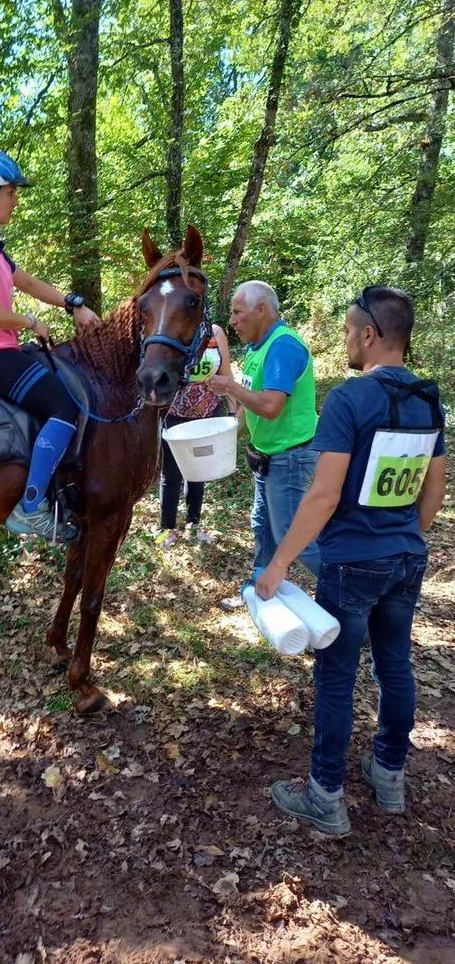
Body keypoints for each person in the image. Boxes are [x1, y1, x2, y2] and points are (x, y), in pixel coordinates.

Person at [254, 286, 446, 836]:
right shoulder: (429, 401)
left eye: (345, 330)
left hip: (352, 563)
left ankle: (325, 795)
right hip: (406, 558)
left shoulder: (347, 400)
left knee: (337, 678)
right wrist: (403, 533)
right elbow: (434, 492)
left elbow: (322, 495)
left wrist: (279, 563)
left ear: (369, 334)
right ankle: (389, 774)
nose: (343, 340)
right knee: (394, 665)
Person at [0, 148, 100, 538]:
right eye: (10, 192)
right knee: (64, 406)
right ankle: (30, 506)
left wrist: (71, 303)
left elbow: (26, 282)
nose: (16, 200)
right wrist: (30, 321)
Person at [208, 281, 320, 579]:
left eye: (236, 312)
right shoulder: (258, 347)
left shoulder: (282, 346)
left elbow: (270, 407)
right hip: (267, 458)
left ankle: (346, 594)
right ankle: (262, 587)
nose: (231, 321)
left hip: (290, 457)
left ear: (261, 310)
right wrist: (223, 438)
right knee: (263, 526)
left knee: (293, 536)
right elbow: (251, 402)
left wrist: (229, 386)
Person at [157, 325, 235, 547]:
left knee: (198, 471)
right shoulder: (172, 330)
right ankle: (166, 528)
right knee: (171, 473)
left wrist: (232, 411)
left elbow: (226, 373)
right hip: (173, 413)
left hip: (206, 414)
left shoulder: (216, 333)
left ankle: (193, 524)